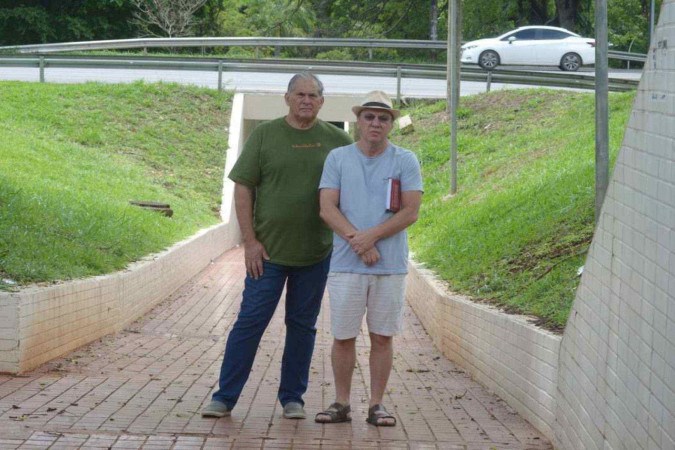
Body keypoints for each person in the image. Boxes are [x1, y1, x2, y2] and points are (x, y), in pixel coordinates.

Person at [201, 72, 352, 420]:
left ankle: (292, 398)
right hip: (266, 255)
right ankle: (224, 397)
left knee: (302, 326)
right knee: (250, 322)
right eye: (299, 94)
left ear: (322, 102)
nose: (306, 101)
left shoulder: (338, 140)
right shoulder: (265, 135)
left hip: (315, 253)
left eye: (313, 95)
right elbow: (243, 188)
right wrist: (249, 242)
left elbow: (353, 188)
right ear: (286, 98)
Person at [315, 90, 423, 427]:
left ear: (391, 123)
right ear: (359, 121)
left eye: (383, 118)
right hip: (347, 264)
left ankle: (377, 404)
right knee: (343, 335)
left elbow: (410, 211)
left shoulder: (405, 160)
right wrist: (359, 243)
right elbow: (326, 208)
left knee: (381, 337)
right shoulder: (338, 158)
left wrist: (371, 237)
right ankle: (341, 402)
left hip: (388, 265)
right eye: (369, 116)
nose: (375, 123)